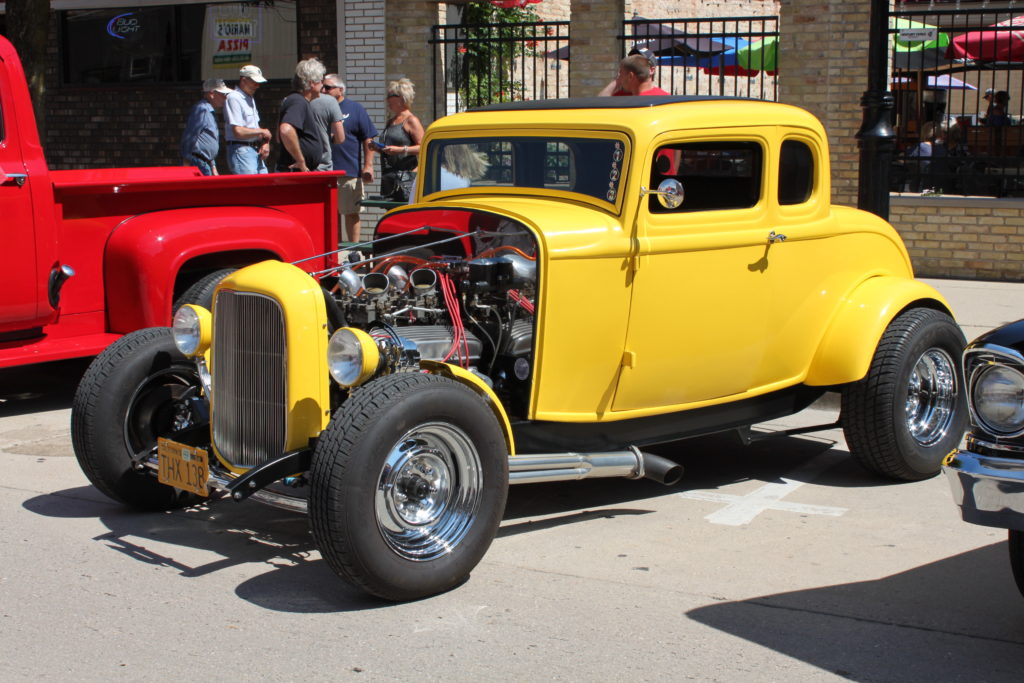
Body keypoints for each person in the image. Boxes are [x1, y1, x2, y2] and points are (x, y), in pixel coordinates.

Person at [323, 75, 378, 242]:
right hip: (324, 171)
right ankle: (335, 251)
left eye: (328, 87)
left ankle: (353, 250)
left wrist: (368, 166)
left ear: (341, 90)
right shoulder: (319, 107)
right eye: (323, 87)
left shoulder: (355, 109)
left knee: (351, 213)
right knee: (330, 216)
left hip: (348, 170)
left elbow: (368, 138)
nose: (324, 90)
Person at [276, 58, 328, 173]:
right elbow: (285, 130)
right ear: (311, 83)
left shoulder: (297, 101)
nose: (323, 87)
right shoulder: (298, 101)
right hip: (295, 174)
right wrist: (300, 161)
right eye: (320, 81)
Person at [378, 78, 425, 202]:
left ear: (401, 98)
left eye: (390, 96)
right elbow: (391, 149)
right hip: (389, 177)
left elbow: (423, 147)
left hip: (406, 178)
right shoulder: (391, 121)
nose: (387, 100)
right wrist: (378, 148)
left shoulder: (411, 120)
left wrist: (401, 150)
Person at [224, 64, 273, 174]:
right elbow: (238, 131)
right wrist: (261, 131)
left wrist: (265, 142)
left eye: (258, 83)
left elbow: (252, 127)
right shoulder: (234, 97)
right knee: (251, 188)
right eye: (254, 82)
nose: (257, 86)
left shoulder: (249, 98)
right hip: (241, 150)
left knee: (264, 186)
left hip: (254, 150)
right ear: (244, 80)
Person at [180, 78, 232, 175]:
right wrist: (186, 164)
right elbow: (190, 136)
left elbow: (208, 140)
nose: (225, 98)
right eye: (222, 94)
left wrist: (213, 165)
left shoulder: (209, 111)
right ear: (212, 94)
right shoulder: (202, 110)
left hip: (204, 162)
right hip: (197, 162)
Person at [309, 87, 345, 173]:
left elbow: (279, 137)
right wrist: (330, 138)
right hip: (321, 167)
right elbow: (340, 138)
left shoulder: (288, 100)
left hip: (295, 167)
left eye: (328, 87)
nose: (324, 89)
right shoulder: (329, 101)